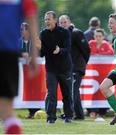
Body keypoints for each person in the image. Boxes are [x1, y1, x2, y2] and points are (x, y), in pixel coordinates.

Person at [0, 0, 39, 134]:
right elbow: (32, 21)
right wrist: (34, 55)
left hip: (7, 54)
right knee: (7, 112)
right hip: (8, 55)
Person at [37, 11, 73, 124]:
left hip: (65, 68)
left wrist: (60, 50)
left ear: (55, 20)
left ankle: (68, 116)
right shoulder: (43, 34)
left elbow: (67, 49)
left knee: (67, 93)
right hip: (51, 69)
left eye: (49, 19)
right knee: (51, 93)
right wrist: (38, 48)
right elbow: (42, 54)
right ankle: (50, 118)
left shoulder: (65, 32)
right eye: (45, 19)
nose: (46, 21)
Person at [59, 15, 90, 120]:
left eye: (65, 22)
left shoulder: (76, 33)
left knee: (72, 90)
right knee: (72, 90)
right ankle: (79, 115)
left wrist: (82, 63)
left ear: (69, 22)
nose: (63, 24)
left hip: (76, 67)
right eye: (61, 23)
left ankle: (69, 113)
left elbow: (86, 49)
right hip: (67, 68)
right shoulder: (61, 35)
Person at [19, 22, 40, 119]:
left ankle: (35, 111)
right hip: (22, 72)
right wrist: (22, 54)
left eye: (23, 29)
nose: (22, 32)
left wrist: (32, 56)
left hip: (35, 71)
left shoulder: (35, 42)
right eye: (21, 30)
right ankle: (31, 111)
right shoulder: (18, 42)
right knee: (26, 90)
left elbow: (41, 53)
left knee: (35, 89)